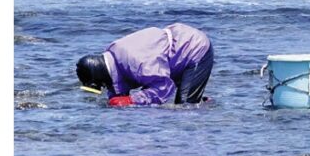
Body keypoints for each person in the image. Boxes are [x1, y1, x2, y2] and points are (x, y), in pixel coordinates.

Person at [75, 23, 214, 107]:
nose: (103, 88)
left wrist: (131, 100)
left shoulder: (138, 64)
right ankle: (203, 102)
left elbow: (163, 88)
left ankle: (206, 110)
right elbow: (117, 91)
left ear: (99, 77)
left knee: (185, 107)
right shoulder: (113, 59)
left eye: (100, 85)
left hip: (194, 48)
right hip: (171, 55)